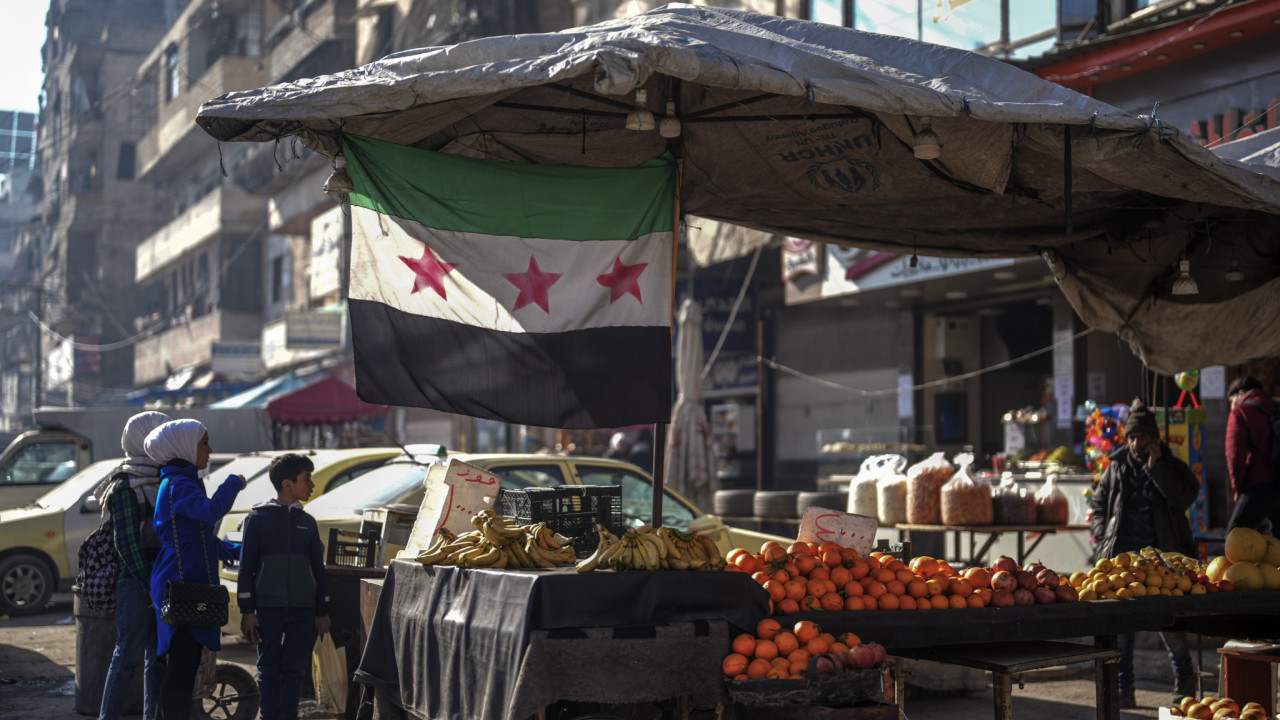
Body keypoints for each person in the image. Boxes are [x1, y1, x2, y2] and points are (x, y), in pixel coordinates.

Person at [1089, 399, 1199, 707]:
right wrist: (1102, 534)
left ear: (1154, 438)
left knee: (1170, 627)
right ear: (1127, 438)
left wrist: (1157, 468)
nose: (1138, 443)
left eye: (1144, 437)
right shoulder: (1116, 466)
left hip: (1163, 561)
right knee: (1123, 629)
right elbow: (1099, 506)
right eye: (1133, 437)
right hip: (1121, 559)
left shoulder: (1172, 466)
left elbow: (1184, 498)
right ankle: (1124, 689)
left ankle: (1185, 683)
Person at [146, 419, 245, 720]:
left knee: (183, 666)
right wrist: (233, 484)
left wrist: (238, 551)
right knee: (181, 667)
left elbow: (198, 538)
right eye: (204, 443)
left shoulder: (182, 481)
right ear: (184, 446)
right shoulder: (179, 484)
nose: (210, 451)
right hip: (184, 589)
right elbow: (211, 511)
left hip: (188, 583)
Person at [238, 454, 332, 720]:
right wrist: (248, 610)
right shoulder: (257, 519)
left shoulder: (308, 522)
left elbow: (318, 570)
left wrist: (322, 610)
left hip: (303, 610)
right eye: (306, 479)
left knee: (294, 671)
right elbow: (246, 569)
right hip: (267, 608)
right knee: (267, 669)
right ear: (287, 484)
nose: (311, 485)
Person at [98, 411, 171, 720]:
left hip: (163, 583)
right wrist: (149, 588)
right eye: (159, 436)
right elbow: (126, 545)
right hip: (137, 582)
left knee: (158, 658)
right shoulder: (123, 485)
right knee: (127, 656)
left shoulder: (169, 478)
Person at [1225, 376, 1278, 533]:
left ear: (1241, 394)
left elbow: (1235, 456)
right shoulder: (1275, 407)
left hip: (1258, 484)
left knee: (1234, 538)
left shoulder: (1240, 413)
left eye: (1231, 401)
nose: (1231, 406)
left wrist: (1238, 489)